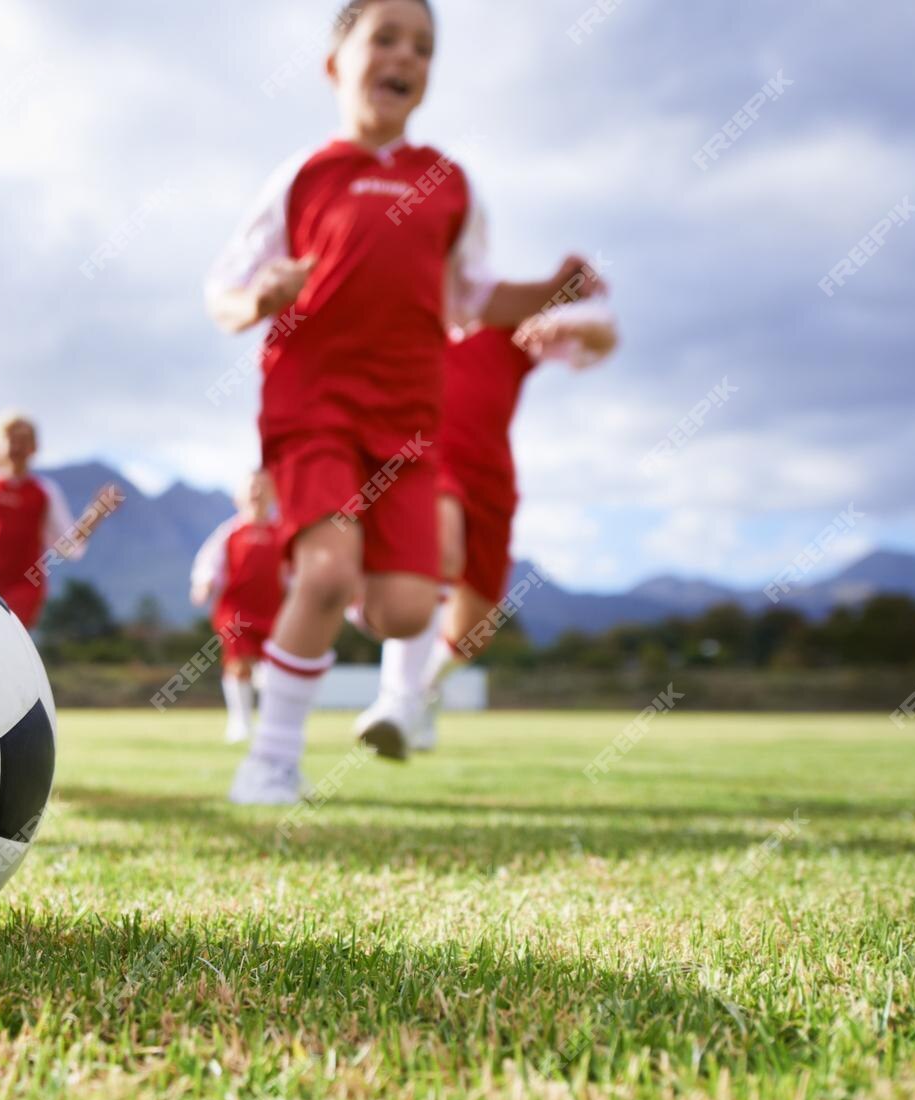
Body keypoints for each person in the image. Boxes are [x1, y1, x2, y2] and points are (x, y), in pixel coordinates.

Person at [203, 0, 604, 804]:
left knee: (406, 609)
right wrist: (259, 297)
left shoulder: (448, 184)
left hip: (407, 425)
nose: (405, 55)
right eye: (383, 37)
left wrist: (552, 288)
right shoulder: (304, 176)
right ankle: (271, 760)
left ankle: (340, 585)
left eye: (422, 46)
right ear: (334, 64)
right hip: (311, 407)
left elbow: (478, 297)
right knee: (325, 574)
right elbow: (223, 289)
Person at [361, 305, 619, 756]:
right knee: (439, 552)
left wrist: (575, 324)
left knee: (471, 635)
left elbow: (603, 340)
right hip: (428, 458)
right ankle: (395, 702)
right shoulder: (411, 317)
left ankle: (422, 693)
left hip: (491, 480)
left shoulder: (507, 323)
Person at [0, 413, 125, 630]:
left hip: (24, 589)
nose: (17, 445)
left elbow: (68, 544)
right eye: (11, 437)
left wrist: (97, 511)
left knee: (4, 637)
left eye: (24, 439)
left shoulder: (45, 492)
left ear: (34, 447)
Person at [190, 470, 286, 743]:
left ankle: (270, 725)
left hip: (275, 611)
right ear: (238, 497)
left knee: (274, 670)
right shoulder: (229, 532)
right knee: (238, 664)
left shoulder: (283, 532)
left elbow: (293, 571)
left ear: (274, 494)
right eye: (251, 488)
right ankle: (240, 722)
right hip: (236, 612)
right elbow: (208, 563)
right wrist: (203, 584)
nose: (257, 493)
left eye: (263, 487)